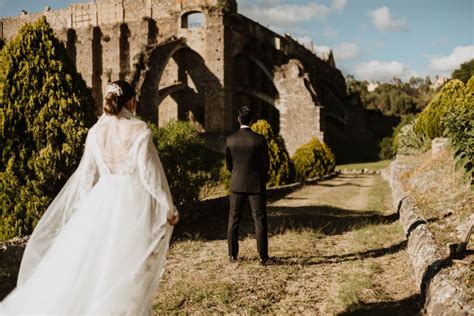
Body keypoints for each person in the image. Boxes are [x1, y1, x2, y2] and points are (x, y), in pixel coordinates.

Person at [0, 80, 180, 315]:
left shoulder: (95, 132)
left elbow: (87, 177)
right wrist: (167, 204)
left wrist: (85, 212)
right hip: (130, 203)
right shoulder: (139, 130)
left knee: (93, 264)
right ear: (131, 101)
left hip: (101, 201)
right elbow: (149, 175)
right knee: (124, 268)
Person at [225, 106, 270, 265]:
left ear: (238, 120)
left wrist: (237, 175)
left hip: (237, 184)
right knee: (260, 220)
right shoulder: (260, 139)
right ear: (252, 121)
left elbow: (228, 165)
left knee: (233, 220)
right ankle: (263, 257)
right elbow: (266, 164)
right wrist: (260, 177)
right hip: (256, 185)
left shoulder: (230, 140)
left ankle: (232, 255)